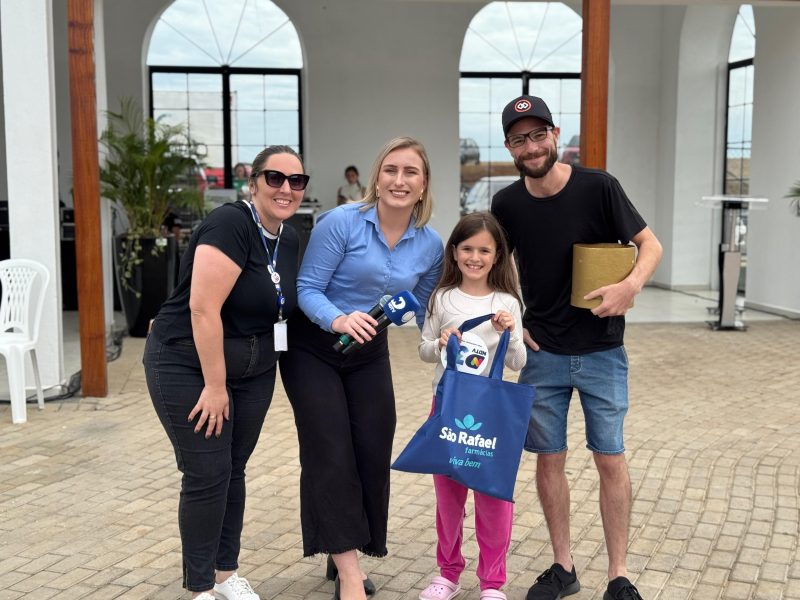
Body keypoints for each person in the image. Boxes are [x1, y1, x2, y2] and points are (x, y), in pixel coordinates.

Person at [491, 95, 663, 600]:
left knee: (609, 457)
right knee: (549, 460)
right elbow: (498, 267)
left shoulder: (599, 187)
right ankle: (563, 567)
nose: (531, 145)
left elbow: (649, 245)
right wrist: (515, 317)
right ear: (510, 147)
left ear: (555, 135)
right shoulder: (506, 204)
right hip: (542, 354)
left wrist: (630, 286)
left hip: (602, 352)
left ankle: (618, 574)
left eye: (538, 134)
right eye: (520, 139)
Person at [279, 137, 444, 600]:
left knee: (372, 447)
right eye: (390, 169)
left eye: (411, 172)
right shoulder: (342, 223)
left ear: (424, 183)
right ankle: (349, 574)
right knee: (329, 449)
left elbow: (425, 307)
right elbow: (308, 287)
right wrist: (338, 316)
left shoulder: (430, 244)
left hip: (369, 350)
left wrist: (469, 324)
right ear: (376, 176)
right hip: (313, 346)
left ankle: (345, 548)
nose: (399, 180)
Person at [143, 146, 309, 600]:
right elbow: (202, 309)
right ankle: (199, 588)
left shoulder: (289, 237)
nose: (286, 189)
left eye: (297, 181)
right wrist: (215, 386)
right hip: (188, 363)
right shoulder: (231, 224)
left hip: (255, 370)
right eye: (275, 178)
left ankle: (224, 574)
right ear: (252, 182)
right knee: (207, 471)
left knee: (233, 469)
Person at [417, 211, 526, 600]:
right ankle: (448, 573)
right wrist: (441, 341)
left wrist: (510, 333)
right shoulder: (441, 298)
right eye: (467, 248)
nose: (475, 257)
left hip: (491, 414)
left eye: (484, 250)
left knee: (493, 498)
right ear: (454, 251)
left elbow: (517, 363)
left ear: (497, 256)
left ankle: (493, 582)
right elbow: (424, 350)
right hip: (447, 409)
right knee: (448, 498)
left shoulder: (508, 302)